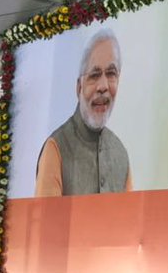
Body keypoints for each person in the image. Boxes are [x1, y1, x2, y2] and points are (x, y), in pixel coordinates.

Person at [34, 28, 133, 196]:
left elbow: (132, 213)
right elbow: (46, 213)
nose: (103, 86)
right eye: (94, 75)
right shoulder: (56, 147)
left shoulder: (120, 153)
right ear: (79, 87)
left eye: (111, 74)